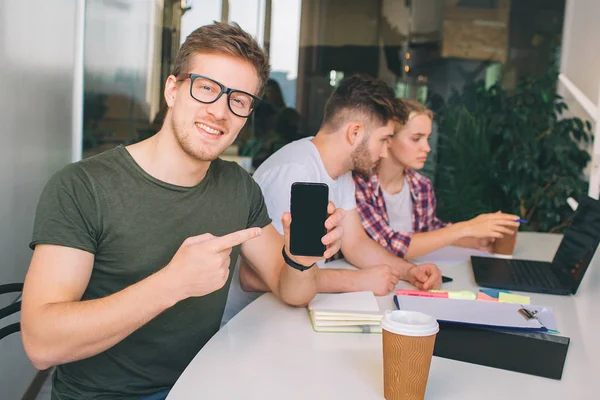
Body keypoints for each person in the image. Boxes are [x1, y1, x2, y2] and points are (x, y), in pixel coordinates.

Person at [21, 22, 344, 400]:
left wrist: (300, 259)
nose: (220, 111)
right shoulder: (82, 187)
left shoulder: (239, 188)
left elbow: (291, 291)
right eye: (206, 88)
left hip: (203, 385)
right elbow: (41, 344)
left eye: (238, 100)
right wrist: (172, 283)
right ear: (172, 90)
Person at [224, 75, 442, 320]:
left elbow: (356, 244)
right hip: (252, 322)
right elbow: (253, 277)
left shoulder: (341, 171)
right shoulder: (295, 174)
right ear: (355, 132)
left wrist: (409, 271)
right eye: (383, 140)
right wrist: (356, 281)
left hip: (294, 312)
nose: (384, 152)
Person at [354, 99, 520, 259]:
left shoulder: (421, 186)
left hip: (409, 274)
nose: (427, 148)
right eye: (416, 138)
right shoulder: (359, 185)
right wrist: (467, 228)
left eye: (428, 138)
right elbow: (387, 245)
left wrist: (475, 239)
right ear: (388, 138)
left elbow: (430, 230)